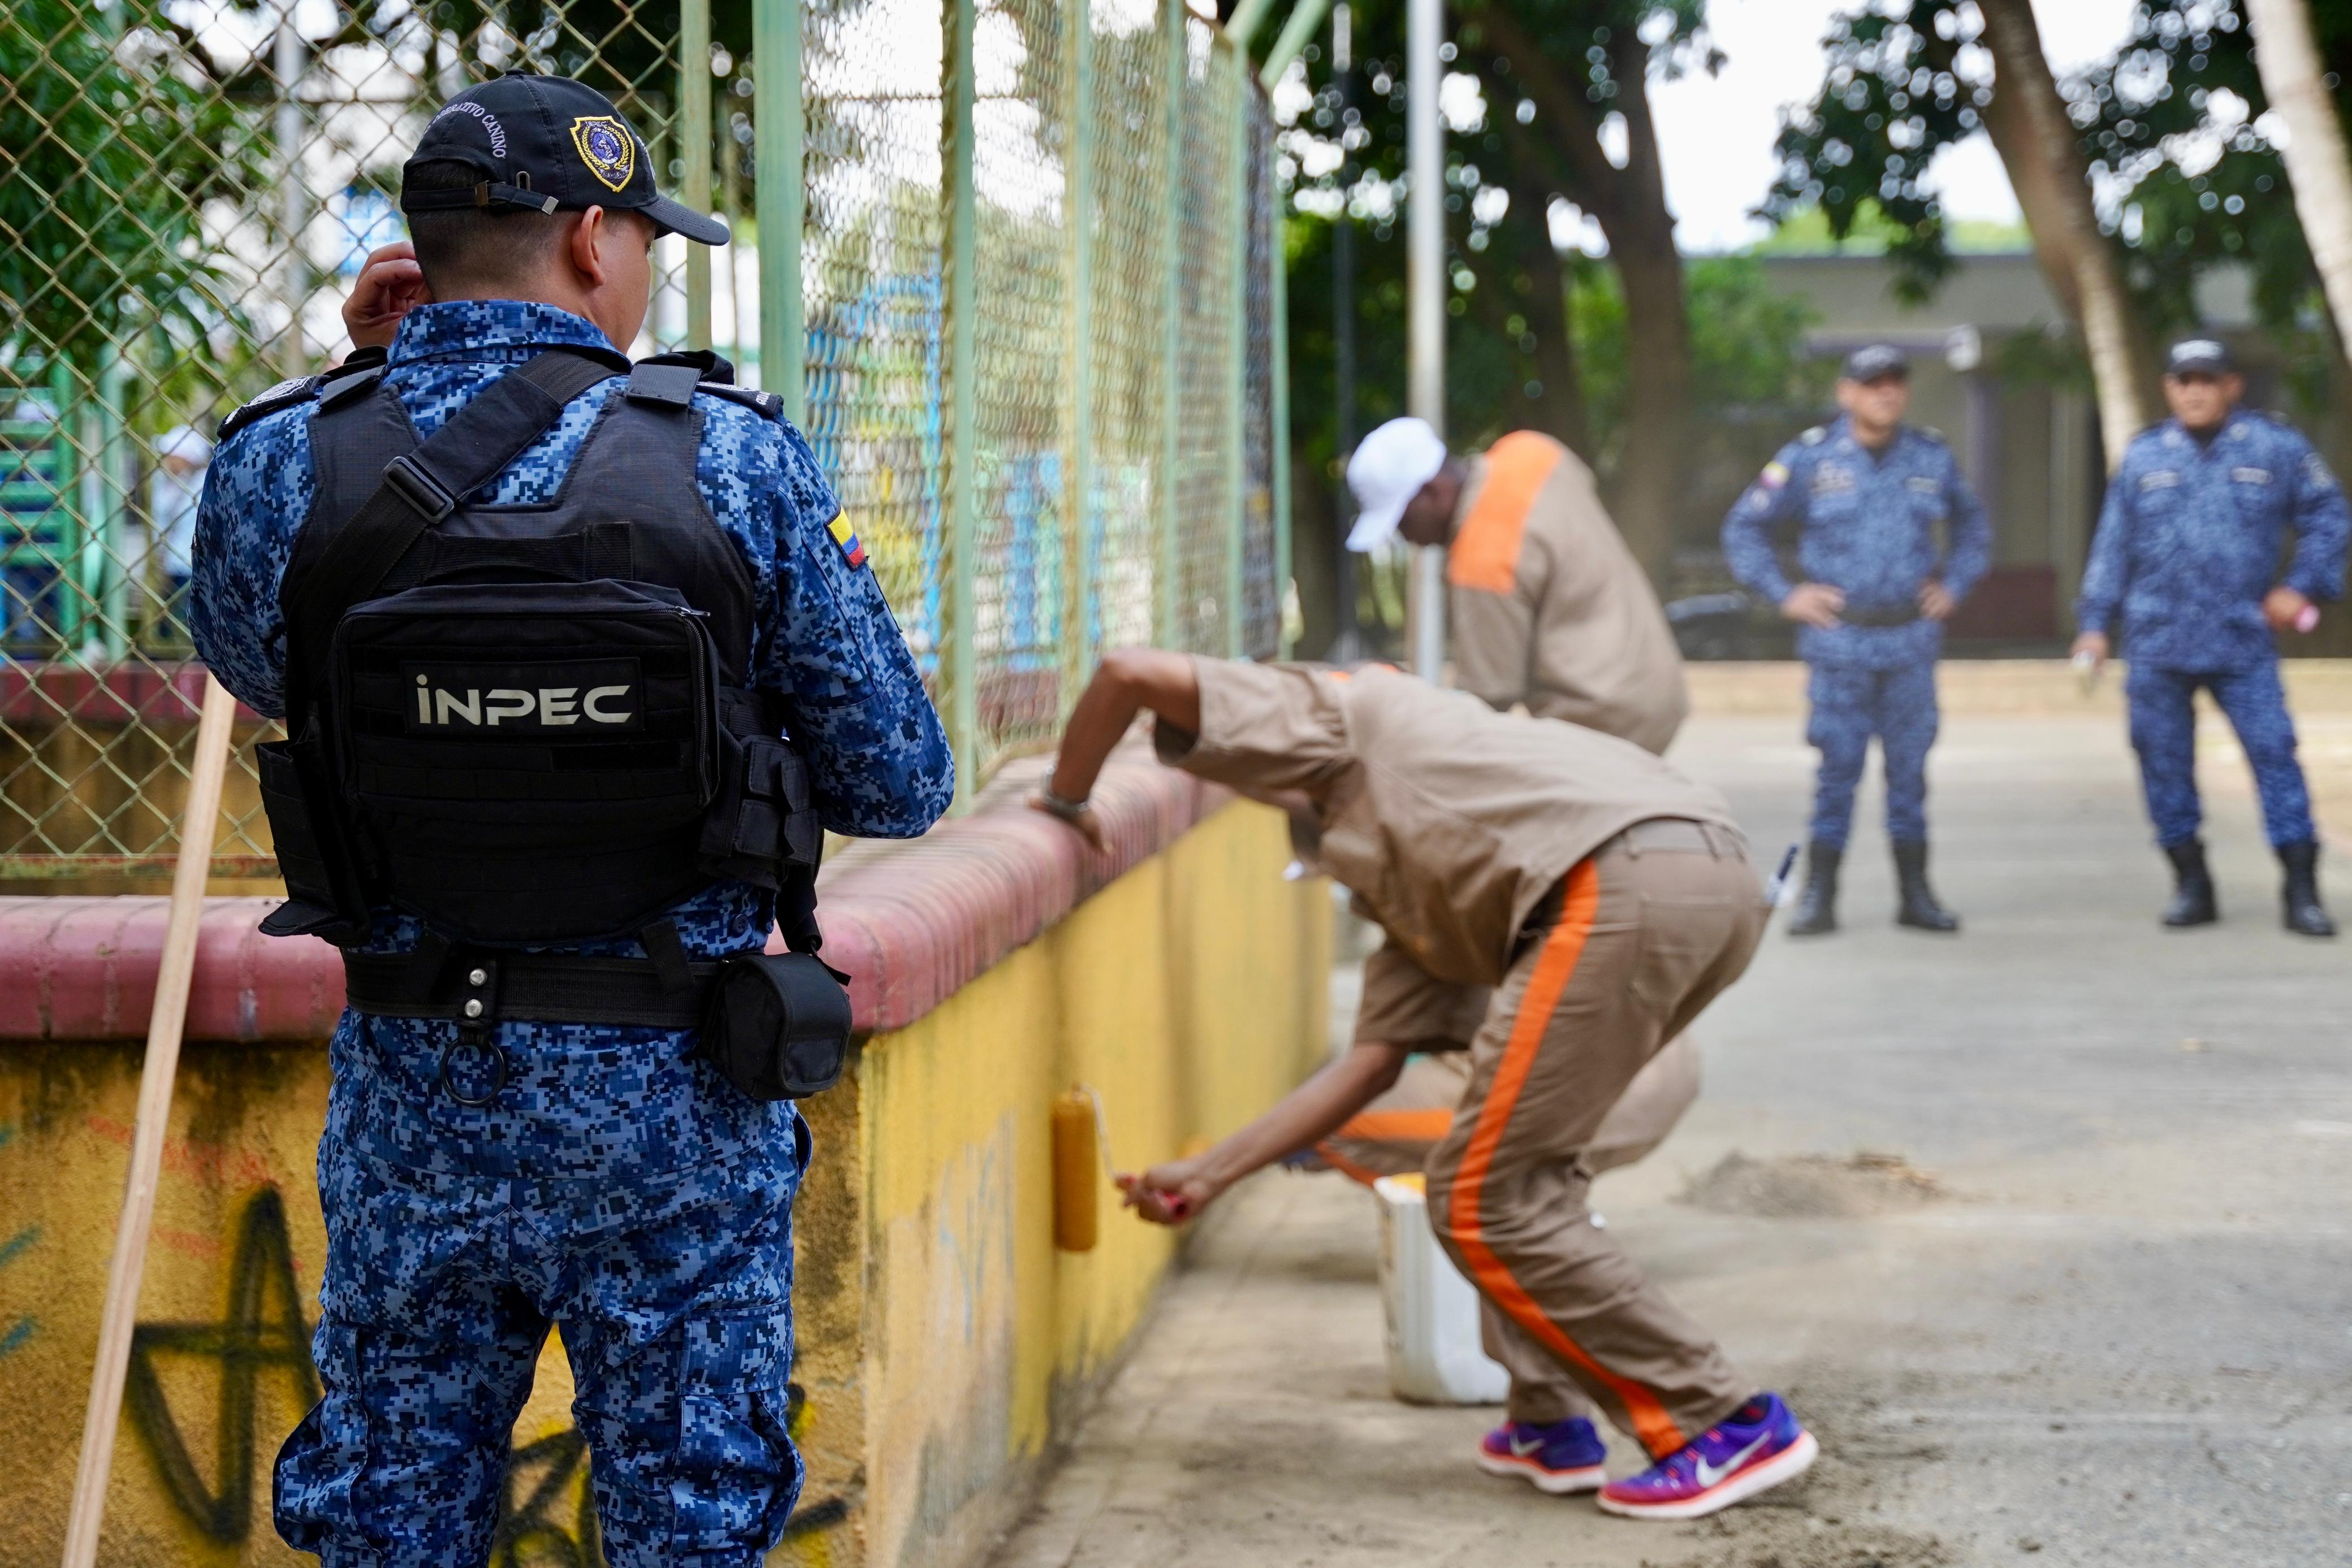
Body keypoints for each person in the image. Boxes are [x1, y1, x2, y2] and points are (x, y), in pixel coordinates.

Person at [189, 73, 952, 1566]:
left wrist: (360, 380)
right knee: (688, 1520)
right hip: (677, 1108)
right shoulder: (729, 454)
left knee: (392, 1518)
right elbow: (900, 780)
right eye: (646, 238)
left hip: (417, 1104)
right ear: (594, 240)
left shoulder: (286, 460)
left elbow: (251, 662)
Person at [1029, 652, 1815, 1522]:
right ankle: (1547, 1421)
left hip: (1616, 883)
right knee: (1519, 1172)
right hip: (1713, 879)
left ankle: (1724, 1420)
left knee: (1484, 1194)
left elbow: (1127, 673)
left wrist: (1066, 802)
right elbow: (1366, 1064)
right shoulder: (1421, 858)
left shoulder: (1345, 708)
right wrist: (1211, 1173)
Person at [2072, 338, 2347, 937]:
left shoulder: (2273, 447)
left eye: (2207, 379)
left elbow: (2329, 516)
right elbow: (2111, 547)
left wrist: (2300, 586)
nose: (2194, 390)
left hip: (2239, 639)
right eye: (2183, 380)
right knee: (2161, 764)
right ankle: (2190, 882)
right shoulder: (2143, 458)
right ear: (2168, 388)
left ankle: (2300, 888)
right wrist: (2093, 624)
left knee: (2274, 755)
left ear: (2231, 385)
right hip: (2155, 640)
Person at [1721, 344, 1990, 936]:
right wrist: (1785, 594)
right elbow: (1744, 527)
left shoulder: (1929, 457)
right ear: (1846, 393)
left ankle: (1914, 894)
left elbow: (1972, 526)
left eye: (1894, 382)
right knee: (1836, 770)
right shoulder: (1810, 459)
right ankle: (1819, 895)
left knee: (1908, 773)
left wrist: (1954, 585)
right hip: (1839, 645)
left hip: (1908, 642)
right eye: (1871, 383)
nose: (1885, 392)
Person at [1345, 416, 1687, 755]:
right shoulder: (1532, 452)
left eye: (1402, 521)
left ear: (1434, 492)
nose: (1407, 538)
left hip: (1602, 722)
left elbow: (1489, 698)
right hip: (1657, 687)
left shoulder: (1483, 558)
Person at [147, 425, 210, 632]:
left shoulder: (202, 484)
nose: (166, 459)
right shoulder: (166, 483)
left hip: (190, 566)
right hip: (170, 565)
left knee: (187, 622)